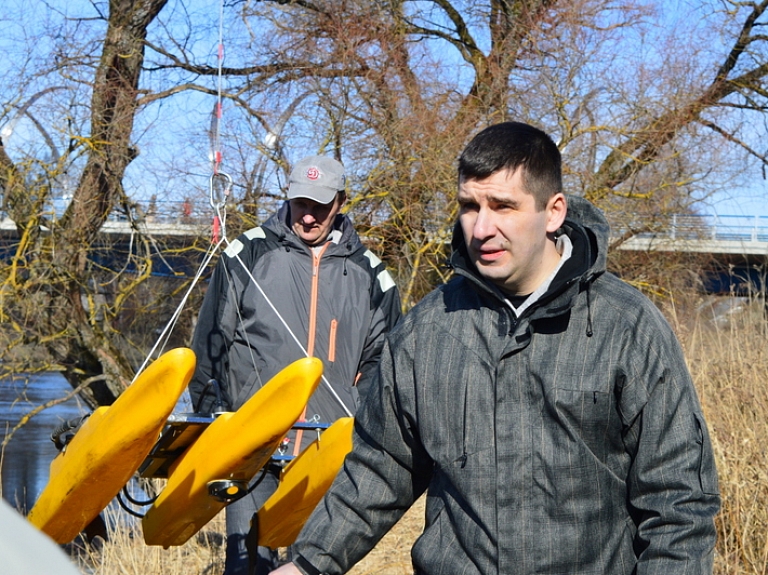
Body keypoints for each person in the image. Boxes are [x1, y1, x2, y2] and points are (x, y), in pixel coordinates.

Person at [270, 122, 720, 575]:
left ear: (553, 212)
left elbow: (678, 500)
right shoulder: (425, 331)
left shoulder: (626, 326)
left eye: (503, 206)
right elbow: (381, 463)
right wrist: (309, 563)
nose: (482, 227)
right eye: (469, 206)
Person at [188, 155, 402, 575]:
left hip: (328, 453)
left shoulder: (371, 274)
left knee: (314, 568)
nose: (308, 216)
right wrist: (212, 423)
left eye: (320, 206)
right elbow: (210, 344)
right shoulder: (246, 253)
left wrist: (359, 422)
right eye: (301, 203)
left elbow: (386, 364)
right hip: (254, 448)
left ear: (341, 201)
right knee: (247, 567)